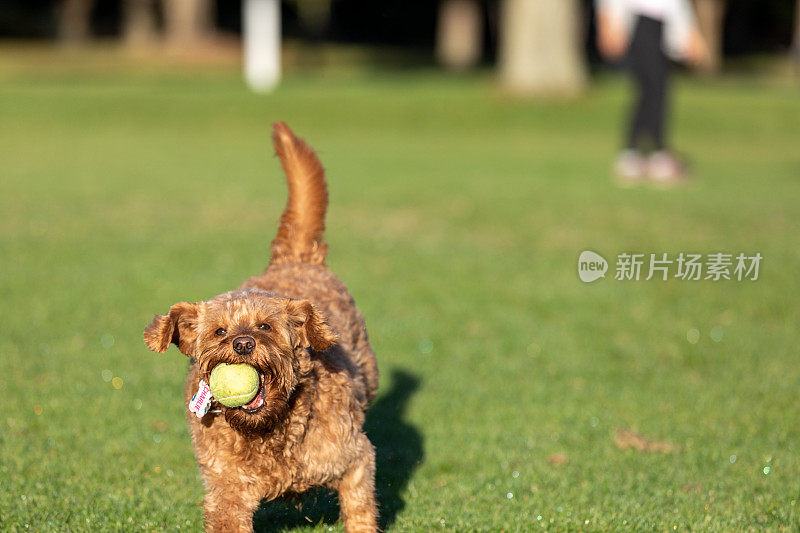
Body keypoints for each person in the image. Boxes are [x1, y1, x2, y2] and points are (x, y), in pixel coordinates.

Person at [596, 0, 710, 185]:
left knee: (656, 89)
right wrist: (608, 22)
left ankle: (642, 151)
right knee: (653, 89)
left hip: (660, 25)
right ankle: (647, 152)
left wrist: (688, 32)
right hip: (643, 22)